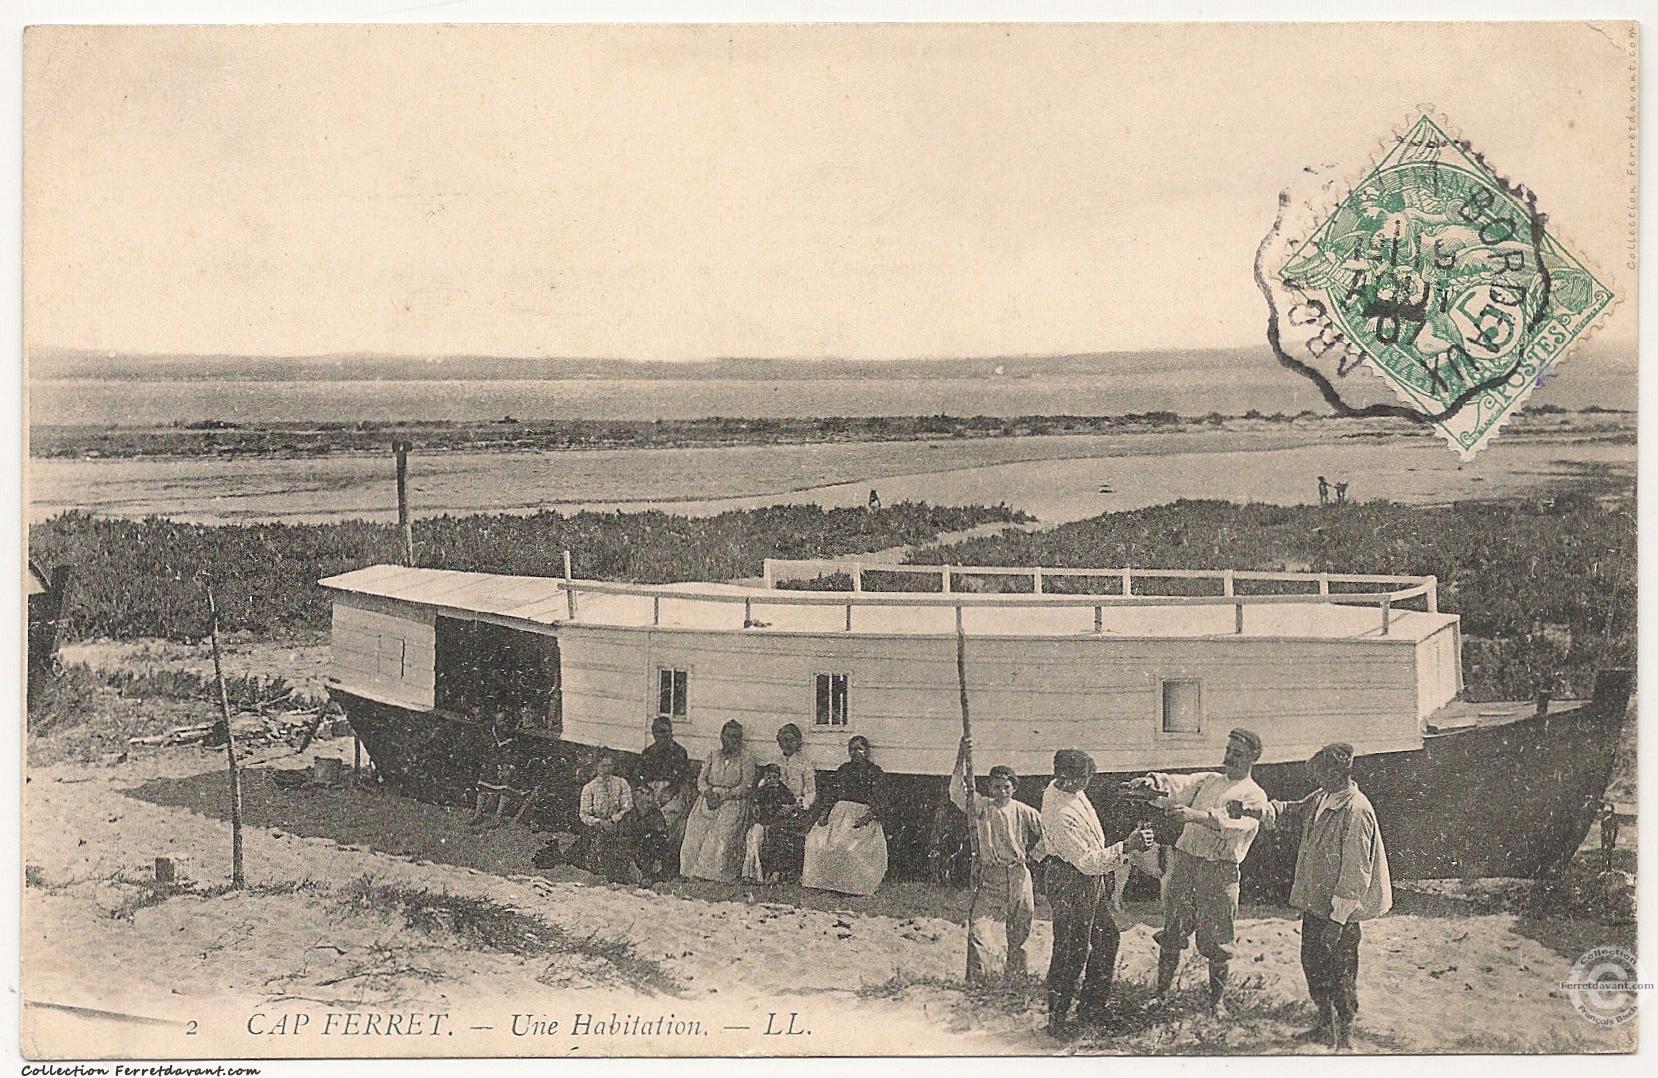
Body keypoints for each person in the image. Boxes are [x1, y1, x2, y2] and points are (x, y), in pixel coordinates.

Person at [1233, 742, 1391, 1051]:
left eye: (1320, 773)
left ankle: (1344, 1037)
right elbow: (1290, 811)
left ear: (1336, 772)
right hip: (1317, 905)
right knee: (1314, 966)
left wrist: (1338, 920)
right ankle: (1323, 1026)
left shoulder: (1356, 810)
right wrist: (1250, 810)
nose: (1315, 779)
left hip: (1340, 913)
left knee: (1341, 972)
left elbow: (1356, 872)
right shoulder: (1322, 798)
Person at [1127, 727, 1271, 1016]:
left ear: (1253, 757)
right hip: (1185, 863)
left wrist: (1195, 816)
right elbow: (1179, 784)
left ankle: (1216, 1004)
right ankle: (1160, 995)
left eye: (1238, 753)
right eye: (1229, 750)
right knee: (1173, 930)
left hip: (1219, 871)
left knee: (1218, 938)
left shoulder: (1255, 795)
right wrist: (1151, 783)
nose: (1230, 757)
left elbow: (1235, 824)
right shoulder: (1210, 780)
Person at [1041, 748, 1156, 1038]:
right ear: (1065, 777)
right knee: (1071, 950)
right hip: (1070, 879)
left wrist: (1124, 791)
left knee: (1107, 938)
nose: (1088, 783)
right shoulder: (1059, 812)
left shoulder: (1068, 789)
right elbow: (1087, 862)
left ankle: (1092, 1009)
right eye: (1084, 778)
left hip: (1087, 879)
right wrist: (1127, 846)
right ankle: (1057, 1019)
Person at [950, 736, 1045, 983]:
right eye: (996, 787)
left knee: (1020, 931)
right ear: (989, 788)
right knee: (979, 927)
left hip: (1019, 876)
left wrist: (1036, 855)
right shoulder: (981, 806)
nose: (1001, 791)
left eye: (1006, 787)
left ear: (1014, 788)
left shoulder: (1023, 811)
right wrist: (961, 755)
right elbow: (957, 791)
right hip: (991, 877)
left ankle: (1016, 979)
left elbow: (1050, 833)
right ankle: (978, 981)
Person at [802, 735, 889, 896]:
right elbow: (832, 794)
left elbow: (880, 800)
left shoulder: (875, 772)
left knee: (847, 845)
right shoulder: (844, 770)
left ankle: (850, 886)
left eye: (859, 748)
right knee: (816, 840)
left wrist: (866, 818)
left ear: (867, 751)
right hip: (839, 813)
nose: (856, 752)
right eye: (852, 749)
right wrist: (825, 813)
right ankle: (824, 883)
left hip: (861, 814)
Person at [679, 720, 757, 882]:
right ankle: (689, 871)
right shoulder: (713, 755)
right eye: (728, 736)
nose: (731, 740)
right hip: (708, 799)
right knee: (695, 830)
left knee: (719, 835)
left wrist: (724, 795)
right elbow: (701, 780)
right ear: (722, 736)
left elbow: (746, 787)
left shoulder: (746, 758)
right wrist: (708, 792)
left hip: (733, 802)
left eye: (736, 737)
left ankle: (710, 875)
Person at [578, 750, 635, 882]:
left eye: (610, 765)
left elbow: (627, 806)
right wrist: (599, 822)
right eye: (603, 766)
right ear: (596, 766)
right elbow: (584, 814)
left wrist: (614, 820)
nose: (607, 770)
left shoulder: (621, 783)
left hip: (619, 825)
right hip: (598, 828)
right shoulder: (589, 788)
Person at [742, 764, 800, 882]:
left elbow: (791, 807)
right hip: (762, 821)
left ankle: (773, 873)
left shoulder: (783, 791)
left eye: (774, 777)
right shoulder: (761, 791)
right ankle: (752, 873)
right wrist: (759, 817)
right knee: (754, 835)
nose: (771, 780)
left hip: (778, 822)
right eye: (768, 777)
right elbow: (755, 808)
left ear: (779, 777)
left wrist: (787, 810)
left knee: (776, 835)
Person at [469, 711, 524, 827]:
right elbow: (490, 752)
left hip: (506, 765)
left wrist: (510, 765)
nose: (503, 724)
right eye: (500, 722)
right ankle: (478, 815)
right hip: (494, 764)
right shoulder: (493, 733)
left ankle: (497, 817)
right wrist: (494, 763)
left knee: (505, 786)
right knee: (483, 787)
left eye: (504, 722)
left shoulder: (512, 735)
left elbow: (514, 753)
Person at [638, 717, 691, 787]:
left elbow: (681, 778)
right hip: (650, 788)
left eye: (664, 732)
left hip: (672, 788)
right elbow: (640, 774)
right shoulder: (647, 752)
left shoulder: (679, 752)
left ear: (670, 732)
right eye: (657, 732)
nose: (660, 736)